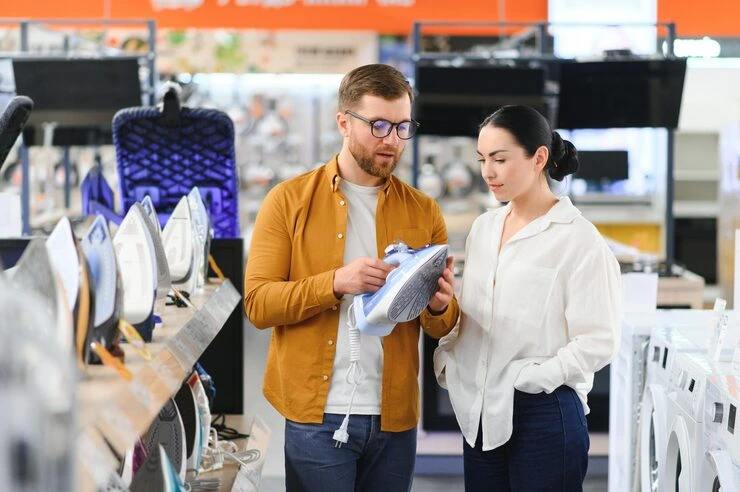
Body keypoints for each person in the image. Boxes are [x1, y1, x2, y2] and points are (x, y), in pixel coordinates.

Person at [244, 63, 459, 492]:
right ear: (343, 121)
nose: (391, 141)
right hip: (316, 416)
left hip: (394, 417)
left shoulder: (424, 211)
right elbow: (258, 305)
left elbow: (440, 326)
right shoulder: (287, 201)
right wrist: (336, 283)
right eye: (378, 125)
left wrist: (441, 306)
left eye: (402, 127)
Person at [434, 105, 621, 491]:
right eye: (483, 159)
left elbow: (600, 339)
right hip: (480, 412)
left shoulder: (577, 238)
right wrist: (450, 357)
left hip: (544, 412)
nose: (488, 172)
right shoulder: (484, 228)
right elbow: (474, 311)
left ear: (539, 158)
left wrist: (535, 378)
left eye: (500, 159)